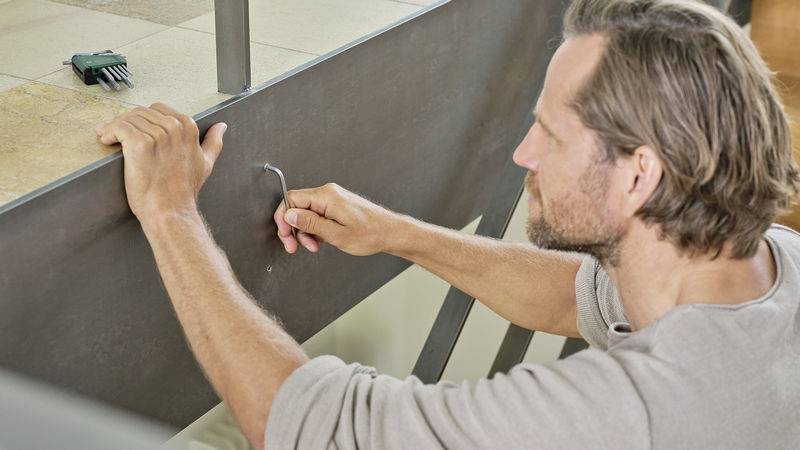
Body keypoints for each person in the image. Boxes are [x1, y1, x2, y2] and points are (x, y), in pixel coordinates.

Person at [94, 0, 800, 448]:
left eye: (549, 135)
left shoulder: (633, 412)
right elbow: (576, 296)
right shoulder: (770, 264)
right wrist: (398, 234)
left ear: (639, 175)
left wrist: (171, 210)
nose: (523, 153)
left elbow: (313, 427)